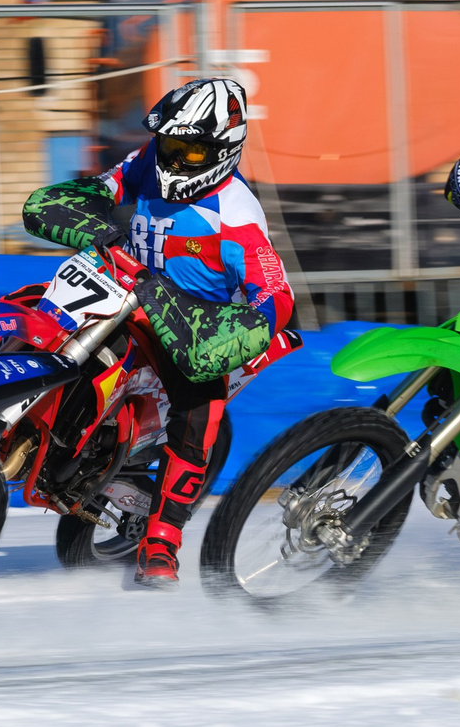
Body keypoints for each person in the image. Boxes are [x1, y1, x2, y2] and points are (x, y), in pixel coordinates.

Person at [19, 76, 296, 588]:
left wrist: (235, 330)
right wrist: (73, 207)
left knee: (199, 410)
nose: (174, 158)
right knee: (23, 307)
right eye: (170, 144)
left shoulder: (236, 214)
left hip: (183, 325)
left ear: (224, 150)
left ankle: (163, 538)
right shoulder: (147, 160)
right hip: (113, 288)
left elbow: (276, 292)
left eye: (190, 151)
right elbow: (102, 189)